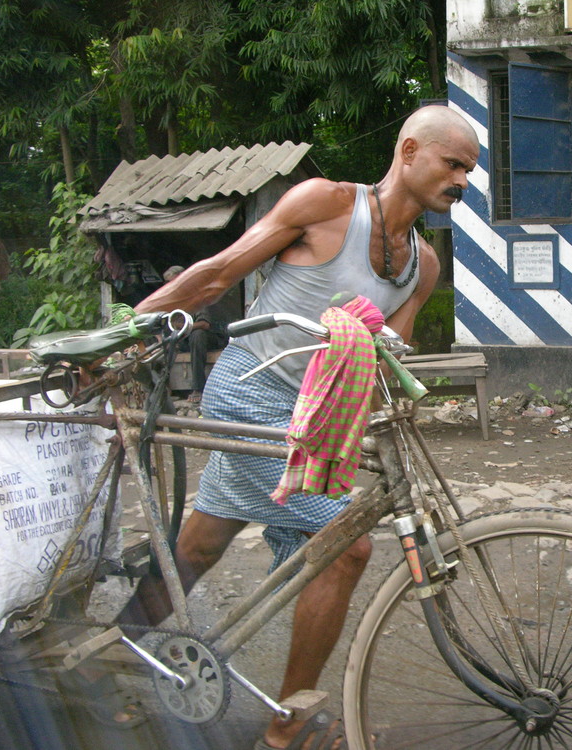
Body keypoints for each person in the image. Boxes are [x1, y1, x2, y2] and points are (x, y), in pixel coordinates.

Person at [117, 105, 480, 749]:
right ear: (408, 151)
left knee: (200, 545)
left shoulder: (420, 266)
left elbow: (384, 360)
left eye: (468, 171)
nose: (461, 179)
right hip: (250, 395)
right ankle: (289, 727)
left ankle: (114, 650)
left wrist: (391, 401)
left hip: (316, 421)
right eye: (452, 163)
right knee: (346, 547)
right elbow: (219, 272)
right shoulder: (325, 204)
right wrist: (122, 335)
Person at [162, 265, 230, 402]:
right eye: (168, 283)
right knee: (165, 341)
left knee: (197, 334)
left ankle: (198, 388)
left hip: (210, 338)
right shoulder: (171, 300)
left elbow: (205, 324)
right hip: (187, 340)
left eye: (174, 282)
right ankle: (164, 388)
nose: (171, 286)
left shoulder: (198, 295)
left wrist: (183, 327)